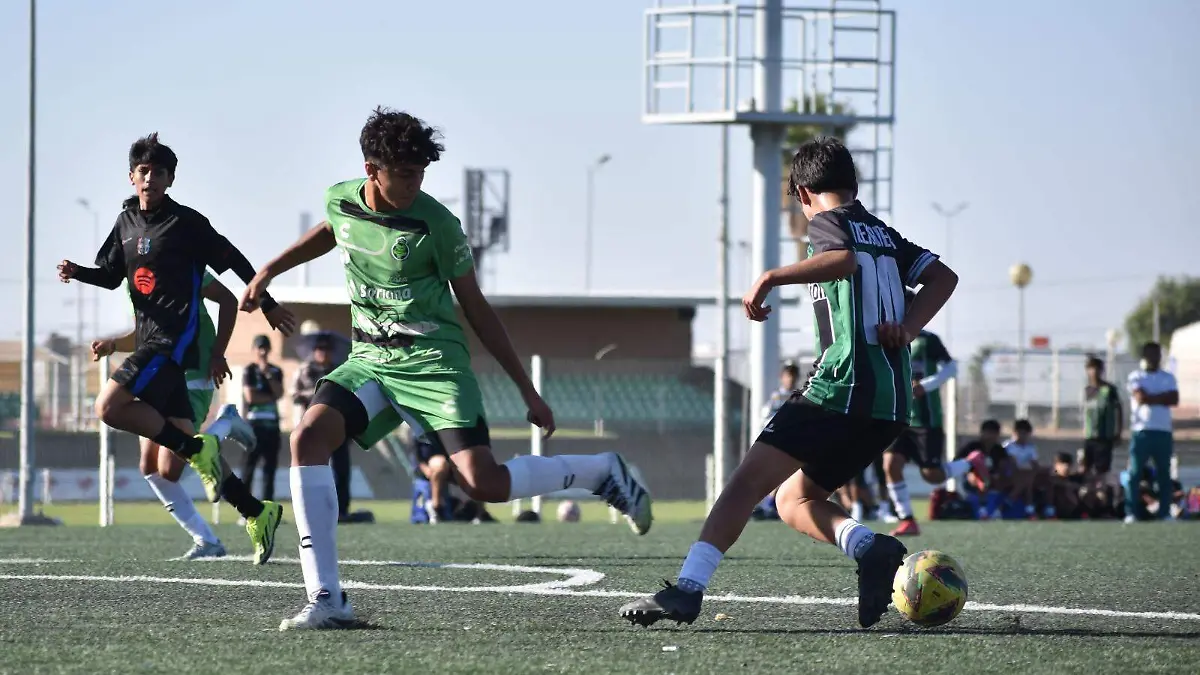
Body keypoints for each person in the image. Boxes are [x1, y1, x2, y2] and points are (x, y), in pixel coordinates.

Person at [240, 107, 653, 630]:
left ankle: (600, 471)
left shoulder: (437, 225)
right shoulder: (341, 198)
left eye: (421, 173)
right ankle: (326, 597)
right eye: (404, 174)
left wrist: (527, 389)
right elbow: (333, 231)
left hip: (435, 365)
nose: (415, 183)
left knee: (483, 484)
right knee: (308, 437)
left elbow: (476, 308)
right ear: (373, 169)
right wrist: (270, 269)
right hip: (370, 360)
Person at [619, 137, 957, 629]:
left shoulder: (828, 221)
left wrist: (770, 276)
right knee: (791, 499)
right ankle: (871, 547)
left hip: (840, 387)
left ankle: (688, 590)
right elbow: (943, 278)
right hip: (891, 405)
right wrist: (906, 329)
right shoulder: (884, 233)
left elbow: (840, 259)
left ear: (801, 193)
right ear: (854, 183)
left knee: (744, 485)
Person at [57, 132, 295, 565]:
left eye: (159, 173)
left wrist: (268, 303)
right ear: (131, 177)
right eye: (143, 171)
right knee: (176, 456)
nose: (150, 178)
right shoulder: (126, 221)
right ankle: (256, 510)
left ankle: (205, 446)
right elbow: (112, 276)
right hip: (149, 341)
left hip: (172, 343)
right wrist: (79, 273)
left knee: (108, 408)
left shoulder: (187, 224)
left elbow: (234, 260)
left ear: (170, 179)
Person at [91, 271, 258, 559]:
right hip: (161, 373)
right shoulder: (136, 282)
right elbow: (146, 336)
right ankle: (206, 540)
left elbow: (228, 300)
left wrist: (218, 353)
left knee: (171, 469)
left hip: (196, 370)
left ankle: (227, 422)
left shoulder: (182, 264)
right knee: (151, 468)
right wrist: (115, 344)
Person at [881, 292, 987, 536]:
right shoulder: (888, 337)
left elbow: (951, 368)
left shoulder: (928, 340)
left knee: (932, 475)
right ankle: (907, 519)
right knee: (890, 464)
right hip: (897, 415)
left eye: (907, 305)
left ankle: (971, 462)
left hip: (926, 419)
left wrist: (925, 385)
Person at [293, 333, 360, 521]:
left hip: (336, 427)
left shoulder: (338, 370)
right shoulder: (305, 370)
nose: (324, 353)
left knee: (342, 469)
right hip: (312, 428)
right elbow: (295, 395)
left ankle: (342, 509)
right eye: (320, 349)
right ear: (314, 351)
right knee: (313, 470)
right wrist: (317, 393)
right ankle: (311, 510)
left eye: (327, 349)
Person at [1125, 341, 1179, 522]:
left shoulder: (1168, 377)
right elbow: (1140, 397)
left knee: (1164, 473)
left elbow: (1174, 398)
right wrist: (1161, 397)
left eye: (1156, 354)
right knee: (1135, 474)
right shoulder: (1136, 376)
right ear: (1144, 356)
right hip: (1141, 432)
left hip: (1163, 431)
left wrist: (1152, 397)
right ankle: (1132, 512)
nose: (1153, 358)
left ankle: (1164, 512)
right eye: (1149, 354)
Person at [242, 335, 284, 502]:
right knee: (248, 466)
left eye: (265, 348)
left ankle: (268, 506)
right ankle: (245, 506)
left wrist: (268, 376)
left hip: (272, 425)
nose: (263, 351)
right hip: (254, 425)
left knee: (270, 468)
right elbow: (251, 397)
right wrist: (270, 397)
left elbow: (279, 393)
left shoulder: (275, 371)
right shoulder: (249, 370)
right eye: (259, 348)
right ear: (254, 350)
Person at [1083, 356, 1122, 477]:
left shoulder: (1109, 389)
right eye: (1091, 369)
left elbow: (1118, 410)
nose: (1094, 372)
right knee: (1086, 469)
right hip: (1090, 436)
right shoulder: (1087, 390)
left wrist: (1118, 432)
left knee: (1102, 470)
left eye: (1096, 369)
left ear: (1101, 371)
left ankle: (1102, 493)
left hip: (1104, 436)